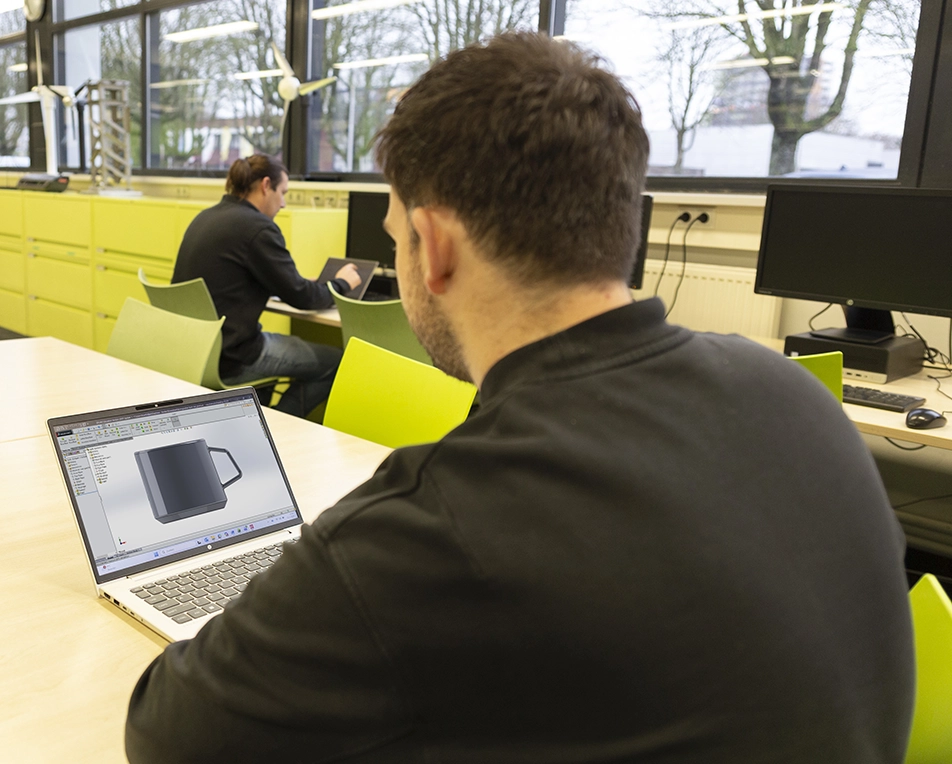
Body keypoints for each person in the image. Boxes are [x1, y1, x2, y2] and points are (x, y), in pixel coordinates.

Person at [127, 33, 915, 763]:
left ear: (432, 247)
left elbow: (167, 732)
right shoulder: (796, 394)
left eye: (397, 232)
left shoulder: (439, 528)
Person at [171, 155, 362, 418]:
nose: (283, 203)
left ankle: (262, 416)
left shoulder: (205, 217)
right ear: (265, 185)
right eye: (283, 192)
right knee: (338, 363)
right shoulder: (258, 228)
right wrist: (342, 284)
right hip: (235, 356)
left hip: (195, 350)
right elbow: (303, 297)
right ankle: (272, 426)